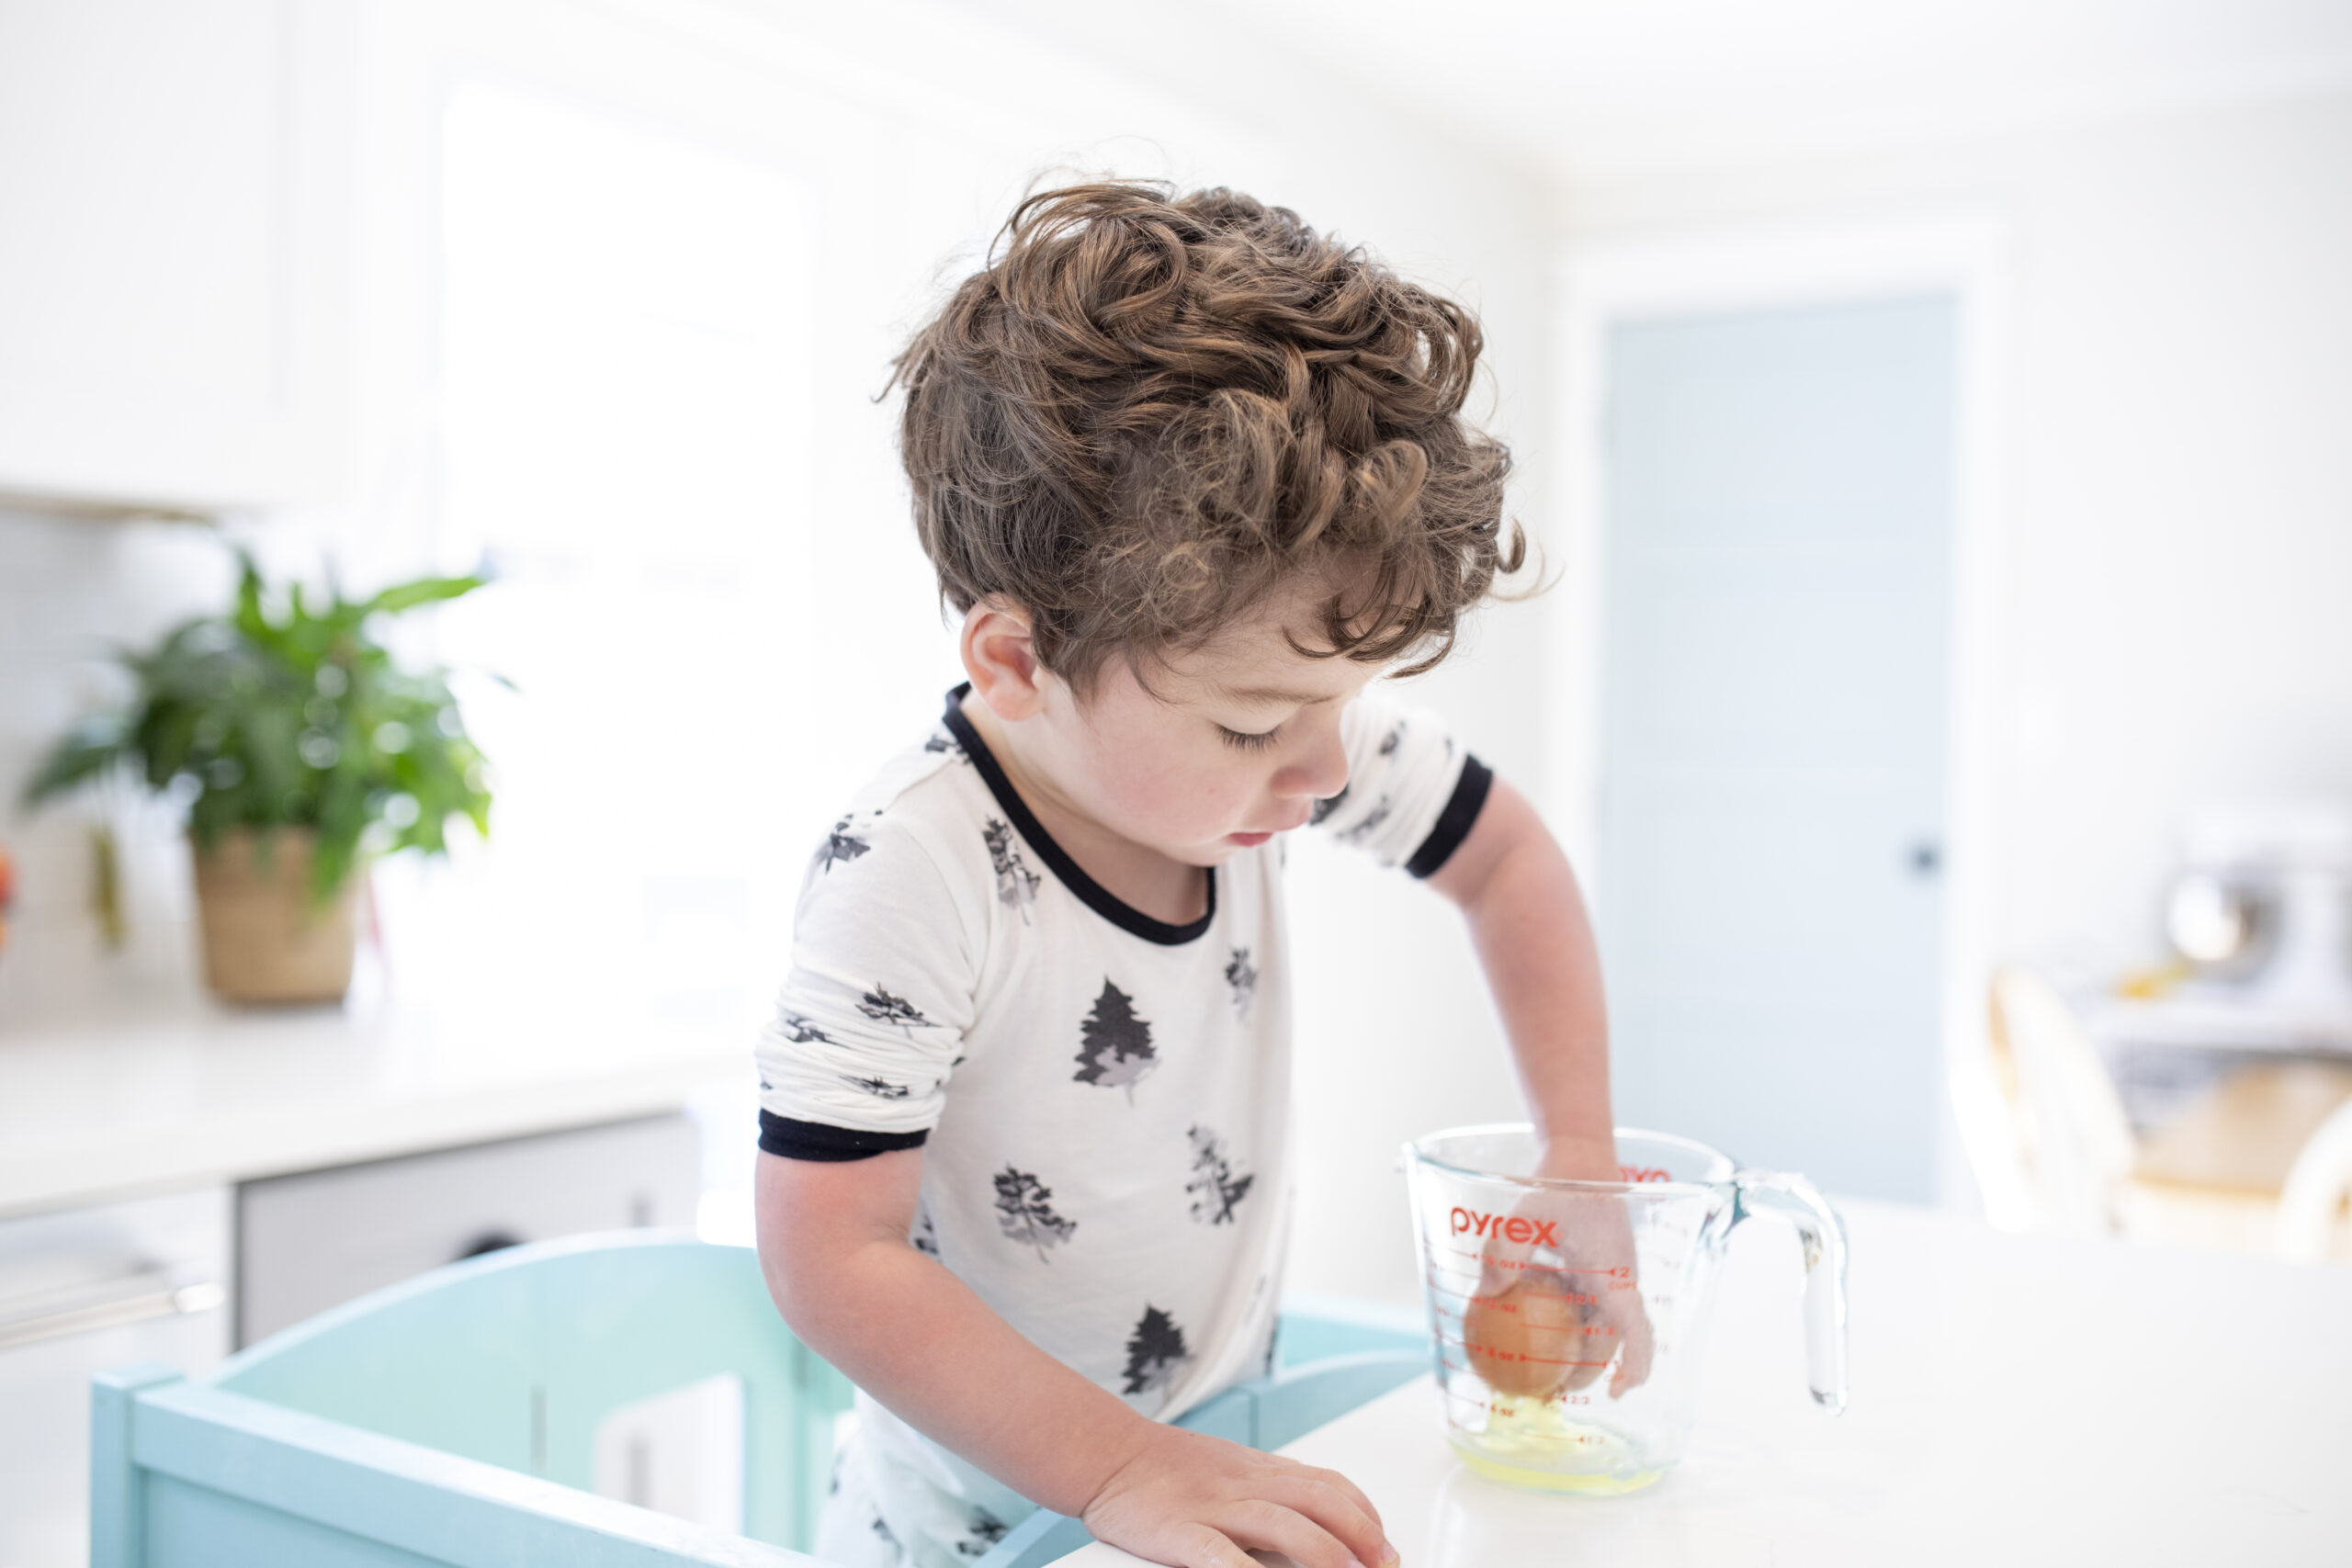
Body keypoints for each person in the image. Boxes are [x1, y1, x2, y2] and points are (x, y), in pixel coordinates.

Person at [753, 180, 1640, 1568]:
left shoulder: (1284, 732)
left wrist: (1577, 1154)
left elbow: (1509, 859)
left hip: (1201, 1488)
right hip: (970, 1545)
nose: (1329, 770)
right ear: (1015, 660)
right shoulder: (916, 868)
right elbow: (829, 1256)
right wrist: (1122, 1470)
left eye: (1344, 702)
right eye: (1252, 724)